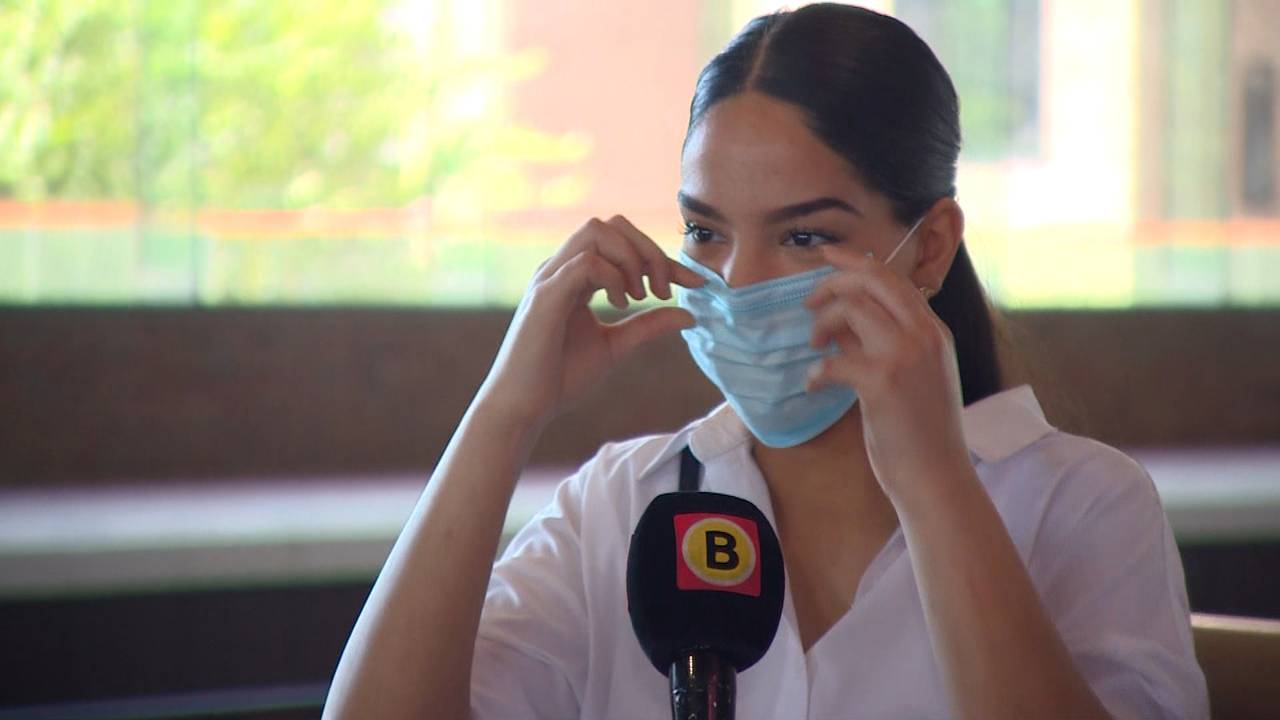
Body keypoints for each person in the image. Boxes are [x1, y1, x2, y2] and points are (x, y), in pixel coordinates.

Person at [323, 4, 1208, 719]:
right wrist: (502, 416)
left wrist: (936, 483)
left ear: (930, 247)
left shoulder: (1083, 505)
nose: (739, 283)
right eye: (705, 230)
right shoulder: (622, 505)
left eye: (805, 236)